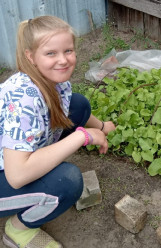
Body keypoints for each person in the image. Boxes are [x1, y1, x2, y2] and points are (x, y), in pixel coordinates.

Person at [0, 16, 116, 248]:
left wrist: (101, 127)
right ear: (30, 57)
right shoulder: (24, 101)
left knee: (79, 104)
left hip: (13, 157)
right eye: (51, 53)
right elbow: (17, 175)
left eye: (68, 50)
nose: (63, 60)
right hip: (12, 169)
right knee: (67, 182)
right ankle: (18, 230)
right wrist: (82, 136)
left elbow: (71, 109)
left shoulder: (54, 81)